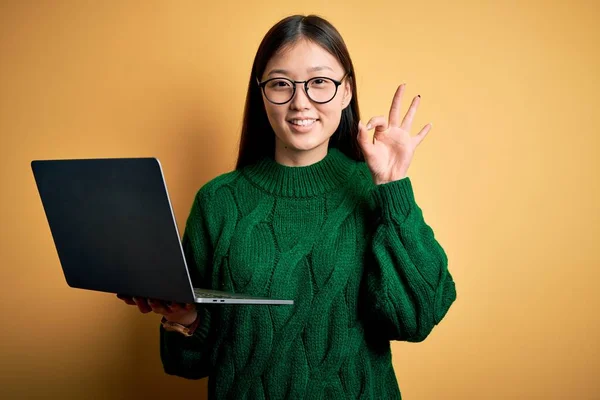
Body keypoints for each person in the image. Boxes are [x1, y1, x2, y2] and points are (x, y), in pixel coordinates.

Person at [119, 14, 456, 399]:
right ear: (261, 93)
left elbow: (417, 319)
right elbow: (187, 364)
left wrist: (392, 184)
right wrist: (183, 319)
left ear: (346, 92)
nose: (300, 102)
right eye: (281, 84)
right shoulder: (218, 202)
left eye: (320, 83)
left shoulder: (374, 192)